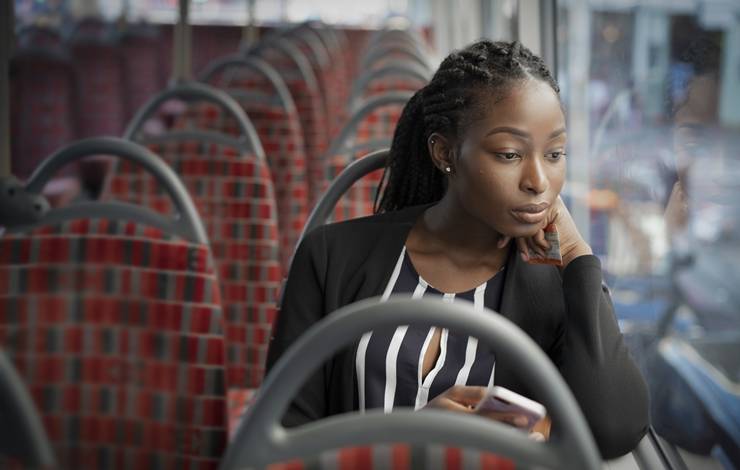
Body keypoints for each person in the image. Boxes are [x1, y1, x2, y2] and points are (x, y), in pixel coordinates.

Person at [266, 39, 649, 459]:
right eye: (509, 154)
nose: (538, 180)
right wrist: (406, 445)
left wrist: (576, 257)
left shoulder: (554, 289)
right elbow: (280, 442)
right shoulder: (331, 258)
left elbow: (615, 430)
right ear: (444, 152)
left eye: (555, 154)